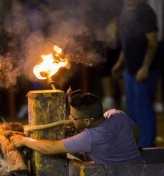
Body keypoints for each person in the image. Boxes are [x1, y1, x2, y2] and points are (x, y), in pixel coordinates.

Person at [11, 91, 144, 166]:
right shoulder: (117, 114)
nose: (70, 118)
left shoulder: (90, 138)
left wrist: (24, 140)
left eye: (73, 118)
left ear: (87, 121)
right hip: (140, 170)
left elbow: (50, 148)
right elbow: (135, 132)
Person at [112, 0, 159, 148]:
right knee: (132, 111)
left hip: (145, 71)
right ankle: (136, 146)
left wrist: (145, 67)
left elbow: (152, 43)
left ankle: (147, 147)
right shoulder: (124, 11)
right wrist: (120, 63)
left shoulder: (145, 12)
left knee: (144, 111)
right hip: (130, 70)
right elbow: (126, 43)